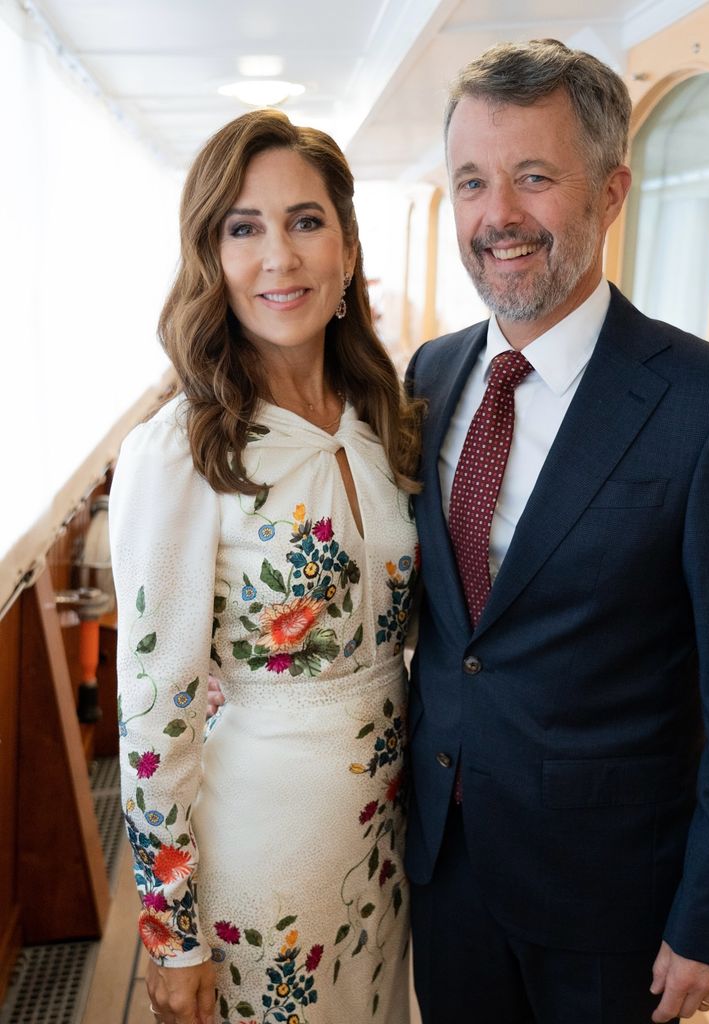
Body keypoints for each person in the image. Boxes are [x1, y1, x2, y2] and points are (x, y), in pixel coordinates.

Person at [404, 39, 709, 1024]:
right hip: (445, 874)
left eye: (533, 177)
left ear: (612, 190)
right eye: (471, 182)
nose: (498, 215)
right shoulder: (427, 376)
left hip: (611, 902)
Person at [110, 108, 420, 1024]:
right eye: (243, 228)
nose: (278, 257)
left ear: (348, 248)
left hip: (389, 832)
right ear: (211, 256)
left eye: (305, 221)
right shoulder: (179, 451)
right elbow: (151, 707)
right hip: (264, 843)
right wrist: (172, 936)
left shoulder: (383, 415)